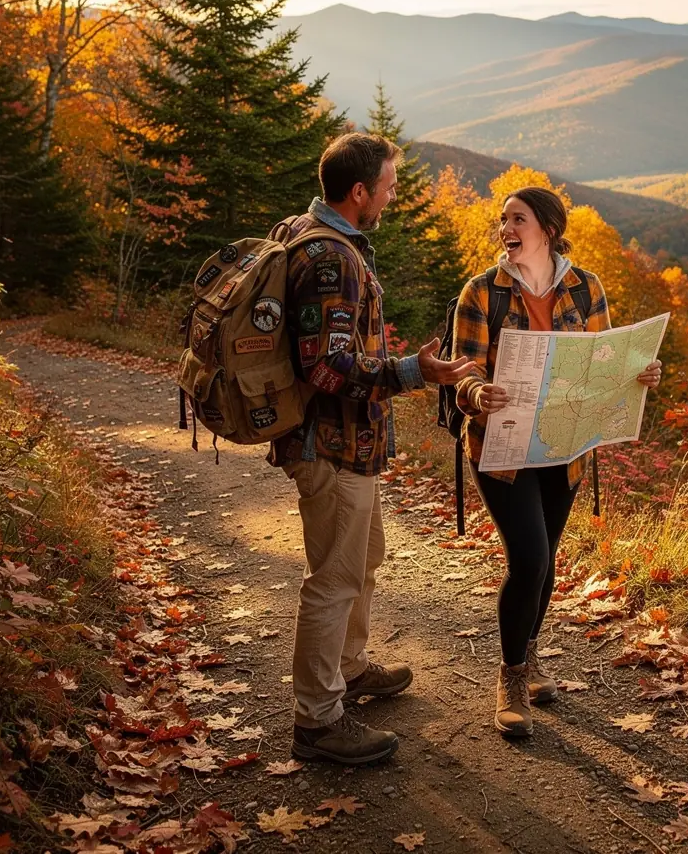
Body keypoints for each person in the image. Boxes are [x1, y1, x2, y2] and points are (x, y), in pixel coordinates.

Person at [270, 132, 474, 765]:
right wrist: (415, 372)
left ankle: (350, 669)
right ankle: (317, 720)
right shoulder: (332, 259)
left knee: (365, 558)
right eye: (387, 185)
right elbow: (326, 368)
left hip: (348, 444)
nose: (392, 195)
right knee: (333, 578)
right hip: (327, 445)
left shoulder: (305, 229)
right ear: (358, 192)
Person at [452, 187, 662, 738]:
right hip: (502, 450)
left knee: (545, 564)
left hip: (564, 446)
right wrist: (478, 393)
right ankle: (512, 679)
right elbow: (462, 371)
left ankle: (530, 655)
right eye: (502, 220)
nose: (505, 228)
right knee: (529, 559)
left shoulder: (585, 286)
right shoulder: (481, 293)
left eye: (516, 219)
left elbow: (603, 363)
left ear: (546, 226)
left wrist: (638, 374)